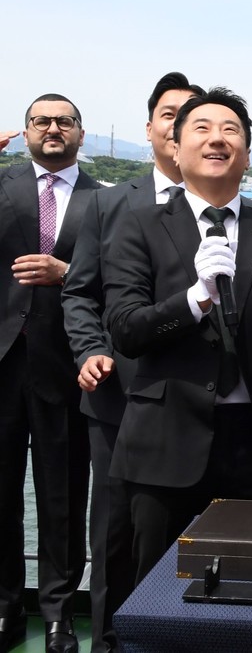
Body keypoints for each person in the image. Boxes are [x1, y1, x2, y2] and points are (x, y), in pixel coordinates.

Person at [103, 87, 252, 582]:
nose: (217, 140)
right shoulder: (138, 227)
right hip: (166, 440)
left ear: (248, 154)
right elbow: (125, 329)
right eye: (200, 129)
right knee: (155, 587)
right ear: (175, 149)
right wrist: (194, 299)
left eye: (231, 131)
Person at [61, 72, 203, 652]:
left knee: (189, 533)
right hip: (120, 393)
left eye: (190, 115)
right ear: (150, 128)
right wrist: (91, 349)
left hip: (193, 398)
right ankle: (110, 641)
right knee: (115, 530)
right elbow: (79, 292)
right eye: (168, 114)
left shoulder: (221, 205)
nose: (177, 125)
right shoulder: (108, 203)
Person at [0, 95, 101, 653]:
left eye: (65, 121)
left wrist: (69, 272)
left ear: (81, 135)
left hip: (68, 365)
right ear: (27, 131)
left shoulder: (106, 201)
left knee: (63, 495)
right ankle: (4, 608)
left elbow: (115, 278)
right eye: (42, 121)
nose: (53, 129)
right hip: (3, 363)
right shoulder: (2, 186)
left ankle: (59, 613)